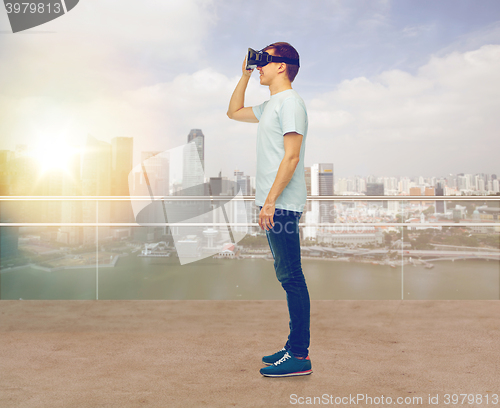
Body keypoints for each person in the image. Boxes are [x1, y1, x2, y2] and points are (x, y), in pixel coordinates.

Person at [227, 42, 312, 377]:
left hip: (283, 205)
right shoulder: (271, 105)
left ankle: (300, 356)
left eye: (264, 61)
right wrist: (244, 75)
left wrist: (272, 201)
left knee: (292, 278)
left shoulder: (291, 103)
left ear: (282, 67)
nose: (259, 65)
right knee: (286, 276)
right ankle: (292, 348)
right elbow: (233, 112)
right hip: (274, 203)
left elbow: (291, 157)